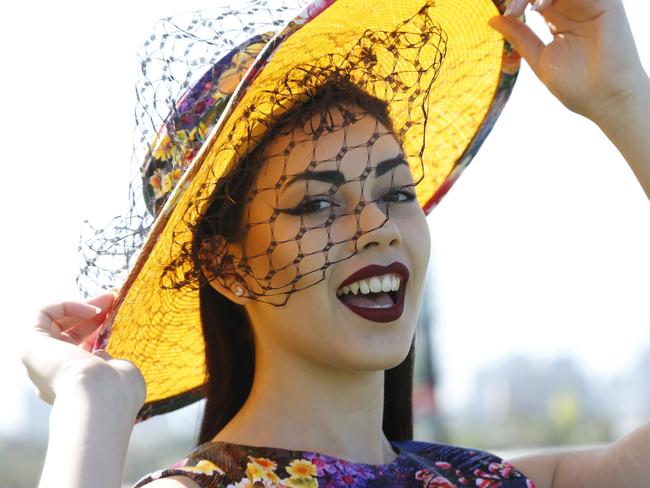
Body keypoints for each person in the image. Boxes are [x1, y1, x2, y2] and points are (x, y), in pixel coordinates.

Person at [20, 0, 649, 487]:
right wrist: (91, 400)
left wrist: (624, 98)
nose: (376, 225)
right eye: (319, 202)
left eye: (397, 192)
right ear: (225, 263)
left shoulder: (478, 478)